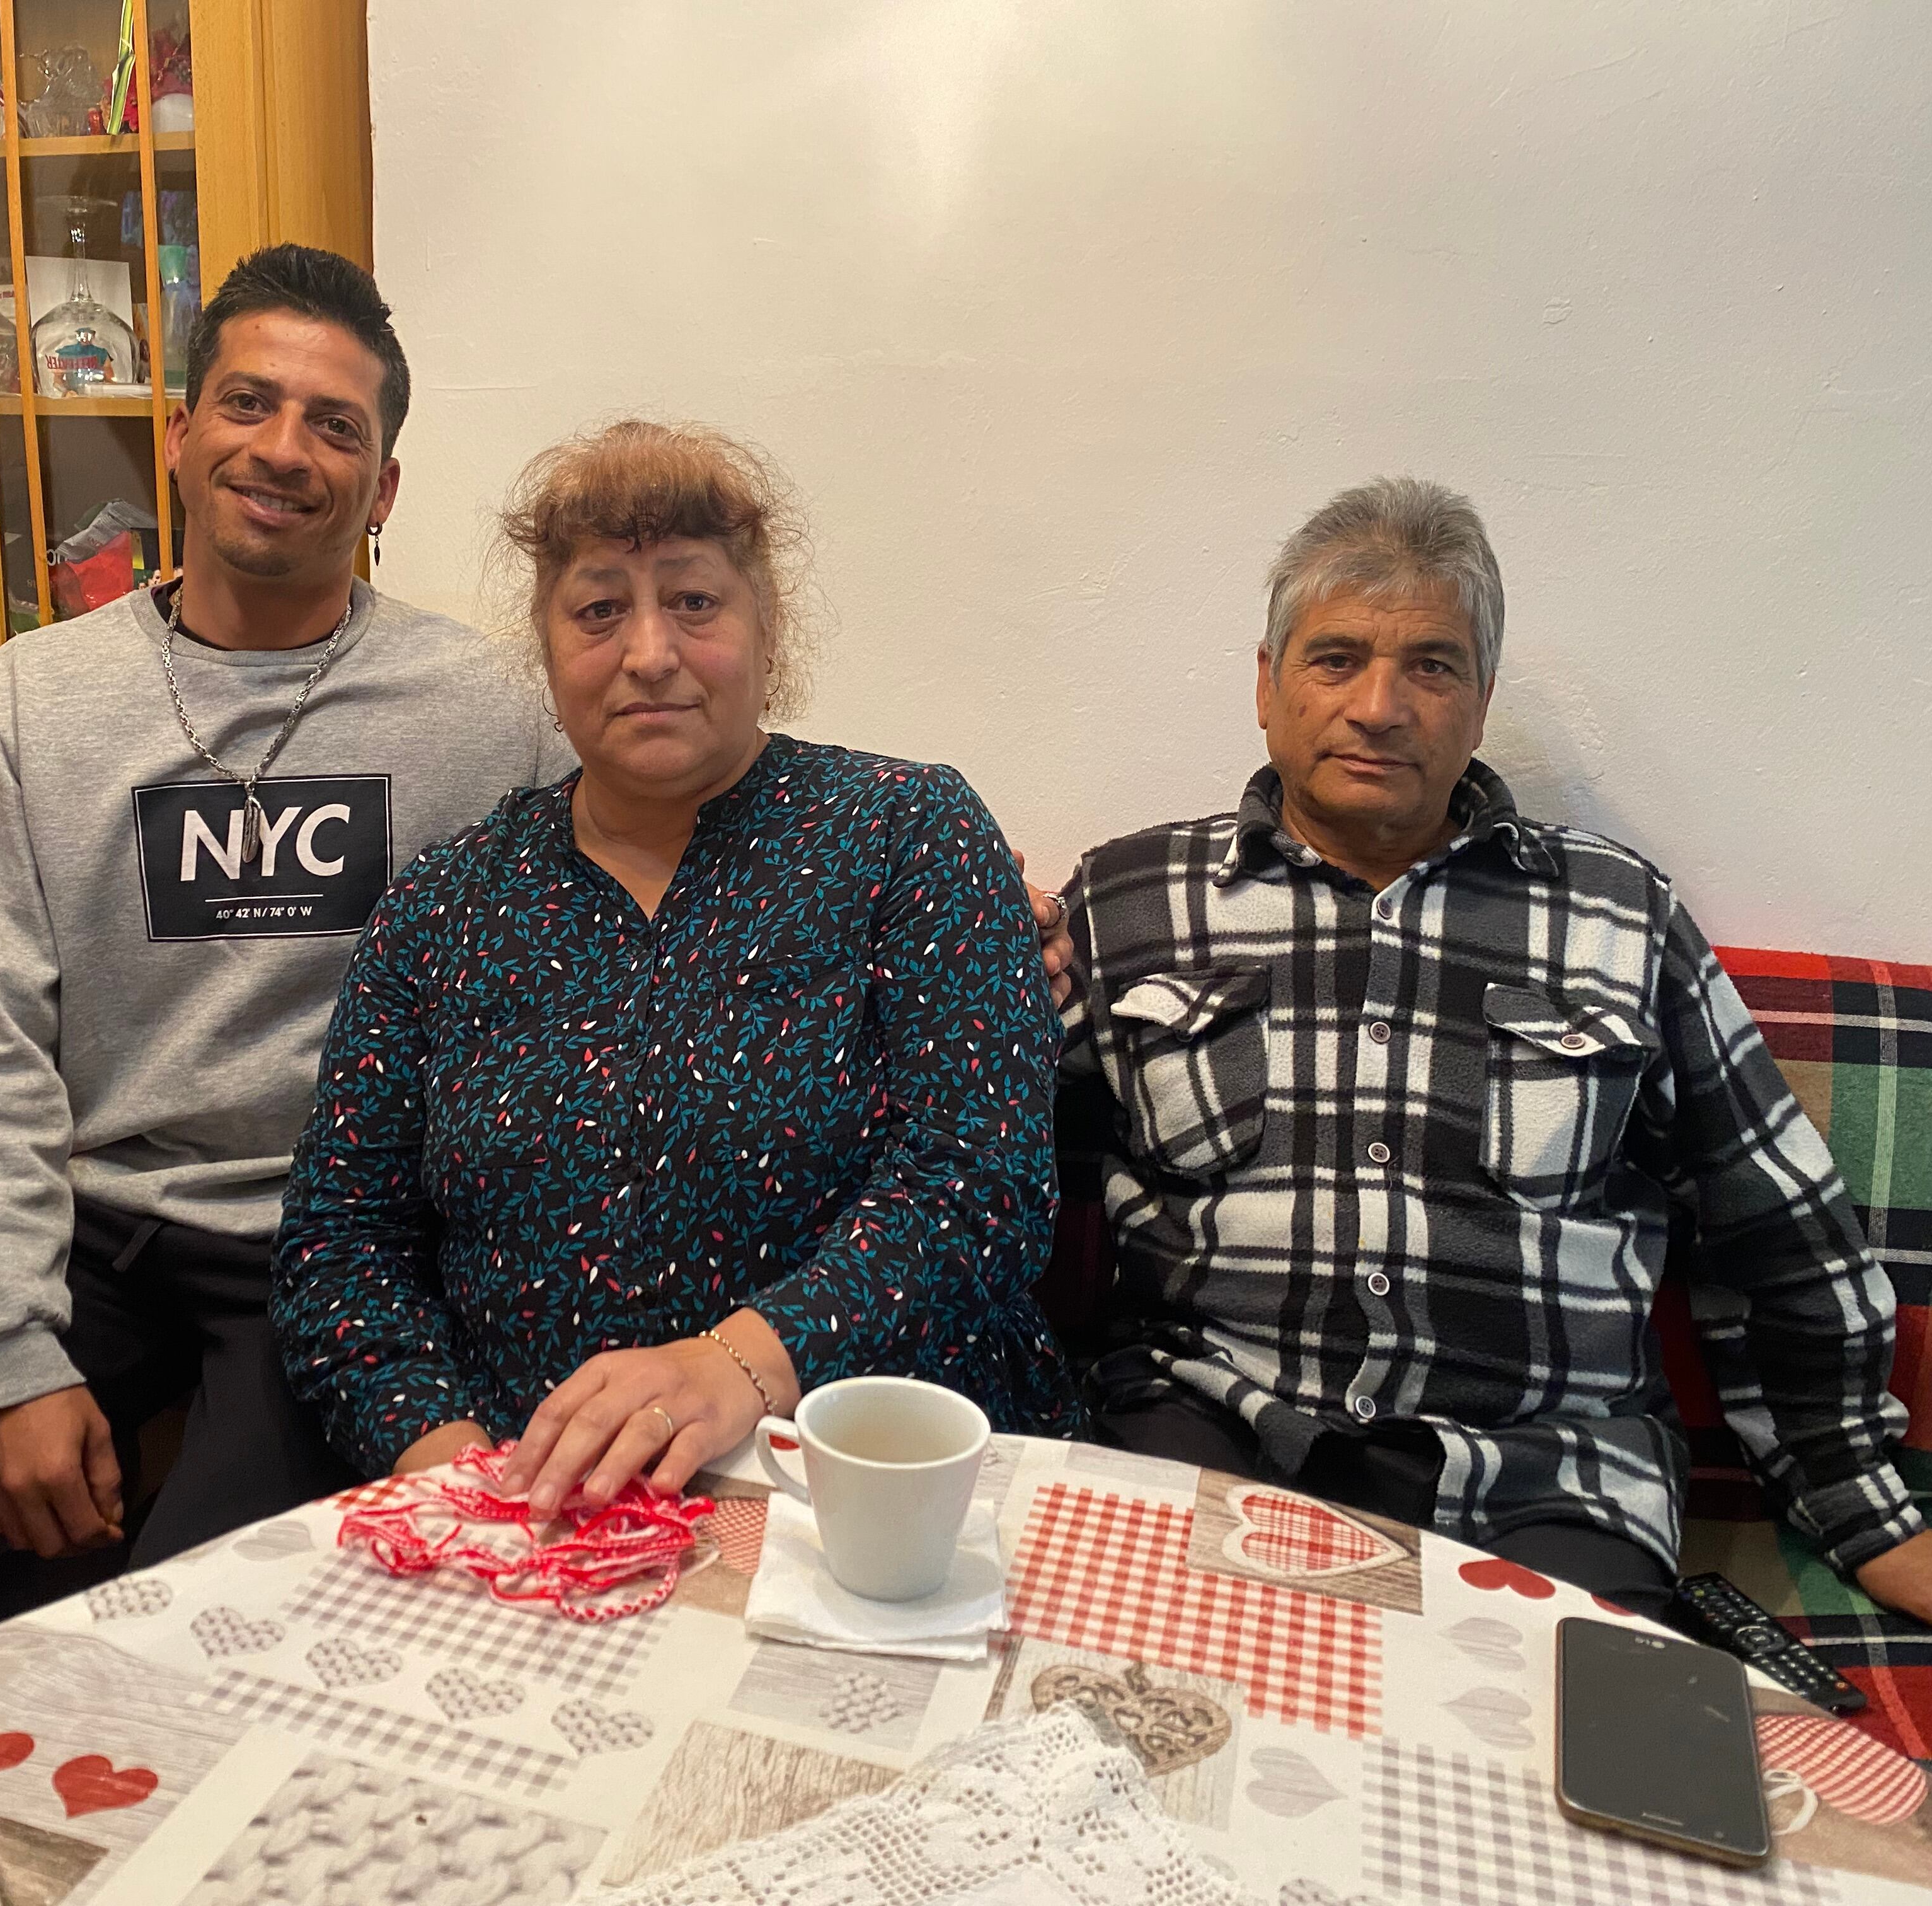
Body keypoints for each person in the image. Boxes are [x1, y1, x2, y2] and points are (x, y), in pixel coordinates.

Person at [0, 245, 572, 1803]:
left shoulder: (489, 710)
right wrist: (3, 1364)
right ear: (177, 433)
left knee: (206, 1616)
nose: (284, 449)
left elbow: (659, 815)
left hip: (330, 1243)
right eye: (248, 403)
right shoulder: (31, 703)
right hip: (93, 1221)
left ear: (382, 488)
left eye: (336, 427)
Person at [1055, 476, 1932, 1619]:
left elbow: (1774, 1224)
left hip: (1549, 1484)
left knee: (1590, 1785)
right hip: (1210, 1434)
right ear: (1265, 689)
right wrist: (973, 981)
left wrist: (1861, 1506)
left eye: (1431, 664)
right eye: (1335, 659)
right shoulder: (1129, 903)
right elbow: (983, 1173)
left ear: (1480, 701)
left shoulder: (1620, 919)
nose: (1380, 705)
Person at [273, 420, 1081, 1515]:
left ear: (766, 628)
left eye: (694, 603)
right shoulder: (440, 906)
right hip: (533, 1507)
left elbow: (981, 1184)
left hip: (875, 1495)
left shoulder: (908, 835)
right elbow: (340, 1247)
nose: (649, 652)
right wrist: (455, 1469)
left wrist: (739, 1364)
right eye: (600, 609)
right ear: (548, 647)